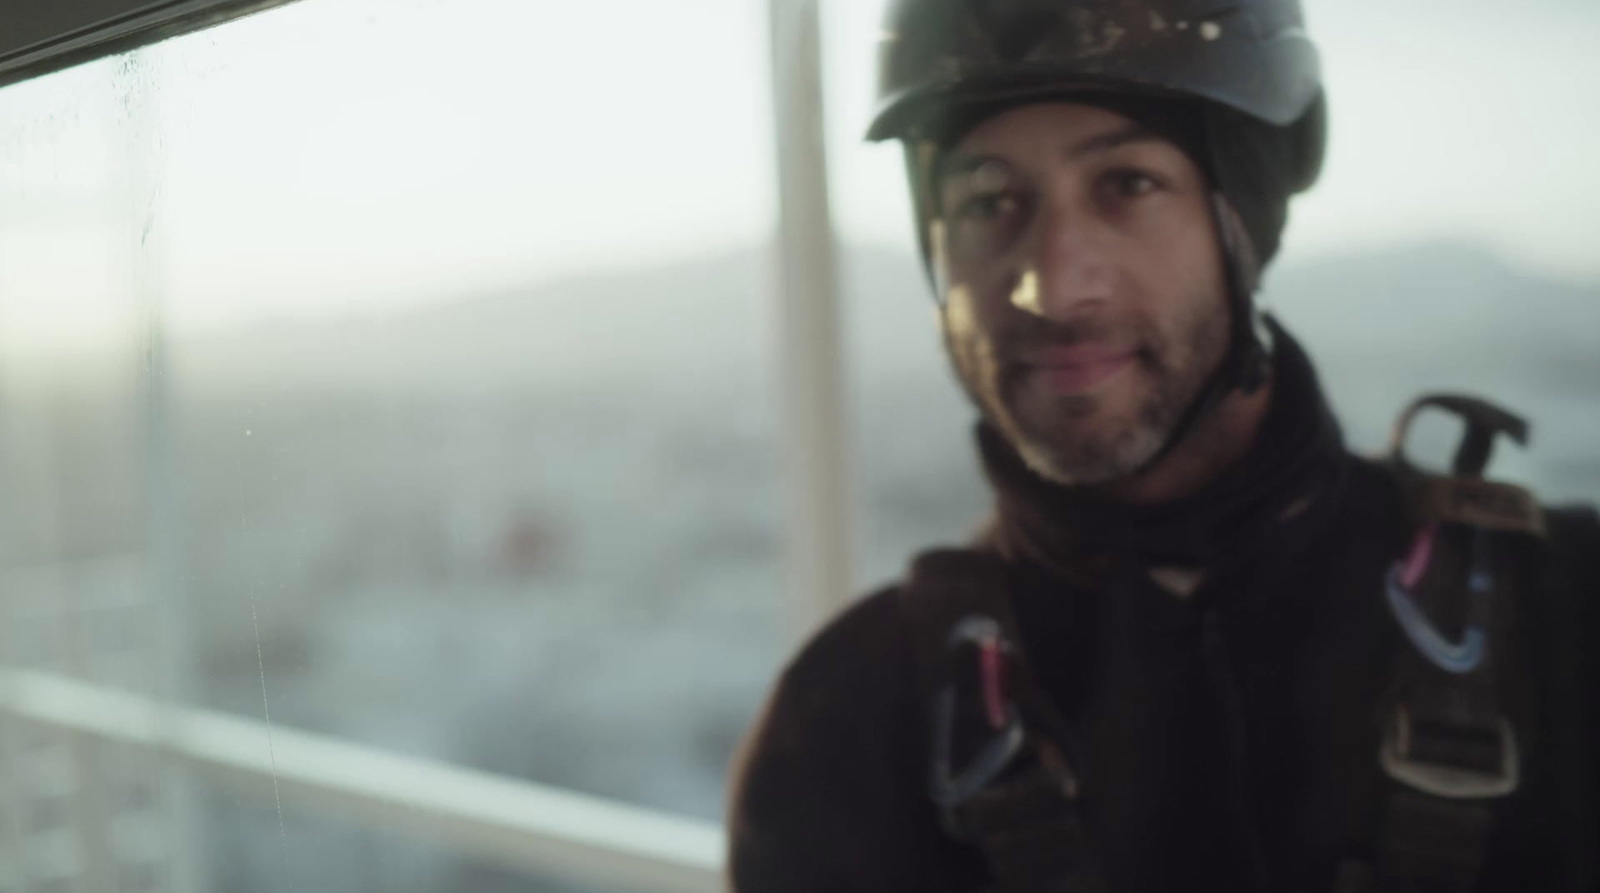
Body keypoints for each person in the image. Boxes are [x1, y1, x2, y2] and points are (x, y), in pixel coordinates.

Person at [725, 0, 1600, 891]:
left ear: (1244, 215)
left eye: (1128, 185)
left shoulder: (1567, 613)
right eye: (990, 200)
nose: (1054, 285)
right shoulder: (853, 716)